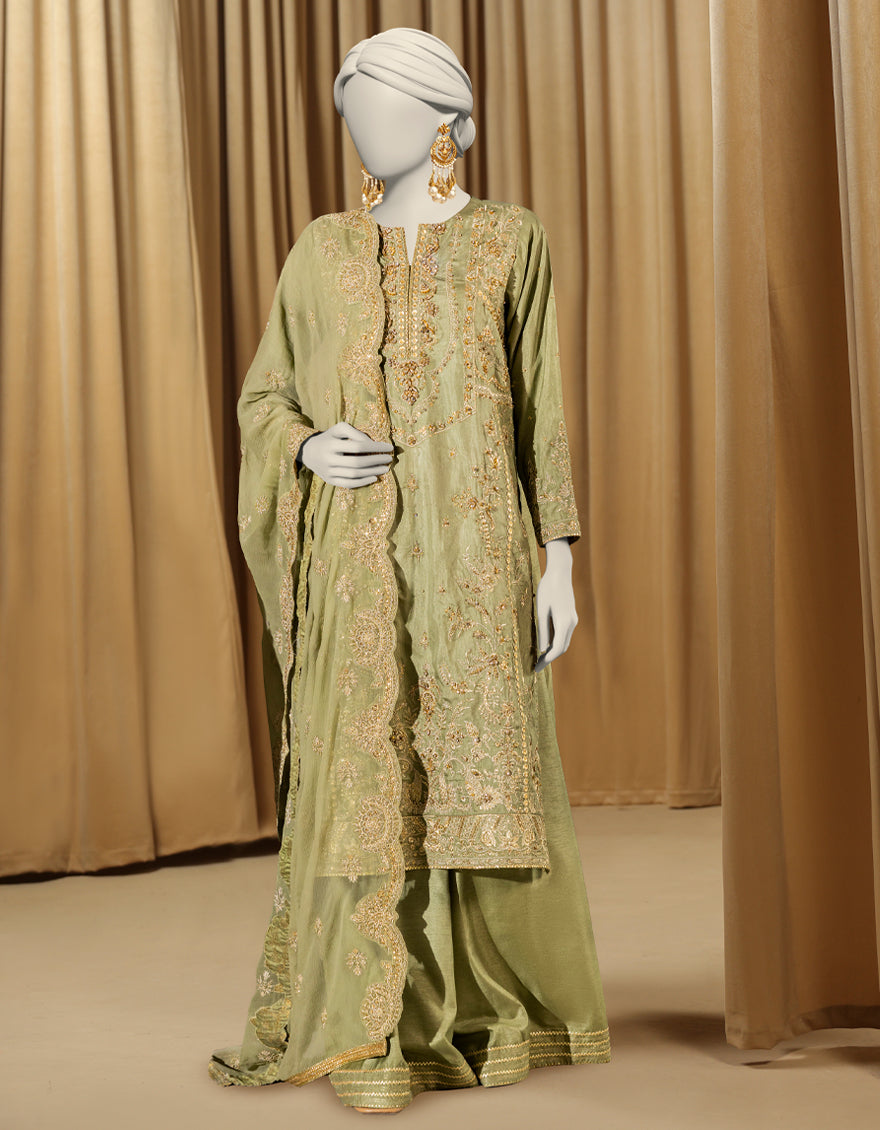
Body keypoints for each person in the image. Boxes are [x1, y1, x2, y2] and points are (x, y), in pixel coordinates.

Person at [208, 26, 611, 1113]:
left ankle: (483, 1014)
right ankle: (371, 1027)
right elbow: (264, 396)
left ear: (442, 121)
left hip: (475, 561)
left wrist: (559, 563)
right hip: (353, 561)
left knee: (476, 774)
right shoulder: (321, 249)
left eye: (382, 110)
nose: (361, 131)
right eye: (352, 112)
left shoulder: (509, 240)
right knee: (366, 776)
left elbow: (540, 413)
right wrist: (305, 448)